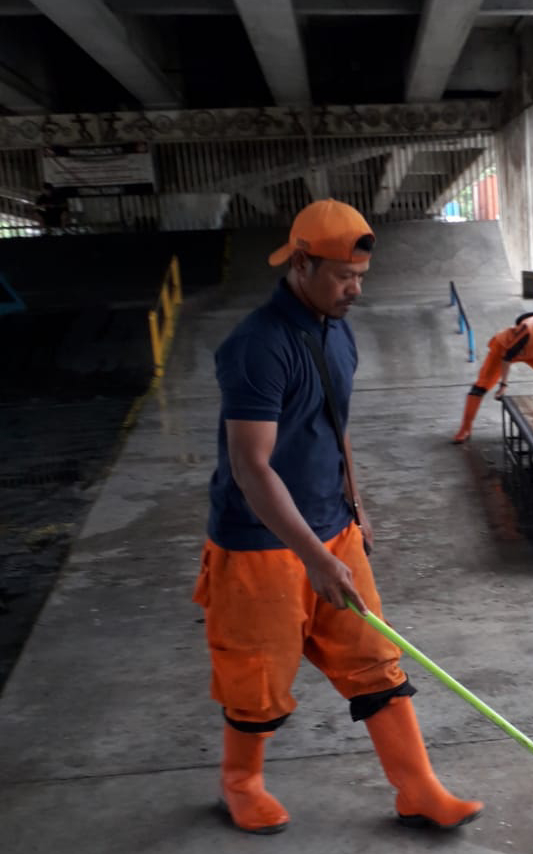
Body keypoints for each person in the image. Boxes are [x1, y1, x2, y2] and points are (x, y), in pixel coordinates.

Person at [193, 199, 482, 834]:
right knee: (257, 680)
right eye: (343, 277)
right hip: (257, 546)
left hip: (334, 529)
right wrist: (314, 556)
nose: (355, 290)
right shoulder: (256, 348)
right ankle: (240, 784)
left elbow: (334, 424)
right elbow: (251, 468)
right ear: (301, 264)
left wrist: (356, 505)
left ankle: (419, 789)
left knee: (376, 660)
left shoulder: (335, 329)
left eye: (361, 277)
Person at [452, 300, 533, 443]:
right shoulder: (529, 329)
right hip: (504, 349)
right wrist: (503, 385)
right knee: (480, 387)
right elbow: (507, 358)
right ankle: (465, 429)